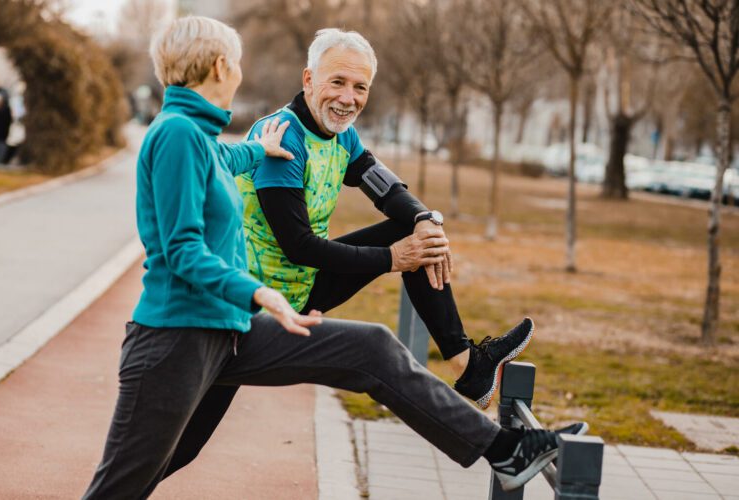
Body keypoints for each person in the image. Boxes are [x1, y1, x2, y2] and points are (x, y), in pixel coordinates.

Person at [82, 16, 568, 499]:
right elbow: (183, 249)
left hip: (232, 327)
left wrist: (425, 218)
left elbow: (226, 162)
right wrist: (259, 292)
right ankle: (497, 429)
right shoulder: (178, 134)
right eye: (237, 64)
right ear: (218, 65)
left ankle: (504, 448)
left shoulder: (201, 137)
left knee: (372, 348)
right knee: (136, 478)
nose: (241, 75)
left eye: (360, 86)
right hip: (180, 339)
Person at [236, 28, 532, 411]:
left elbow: (387, 189)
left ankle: (468, 364)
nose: (348, 98)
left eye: (360, 87)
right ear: (308, 79)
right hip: (255, 301)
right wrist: (394, 258)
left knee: (416, 230)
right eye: (338, 82)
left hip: (303, 288)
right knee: (185, 438)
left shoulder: (342, 136)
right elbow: (298, 246)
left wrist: (426, 220)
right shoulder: (282, 136)